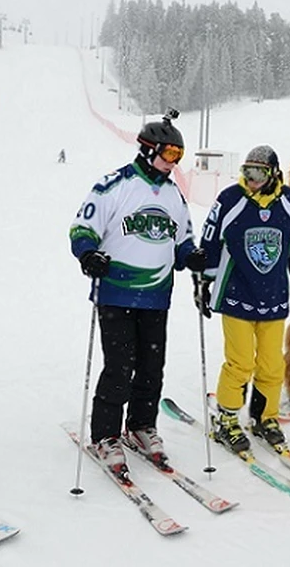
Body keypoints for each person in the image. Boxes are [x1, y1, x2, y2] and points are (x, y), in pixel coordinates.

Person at [69, 109, 206, 474]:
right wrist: (88, 254)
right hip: (116, 292)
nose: (174, 163)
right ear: (148, 150)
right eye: (170, 155)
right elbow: (83, 227)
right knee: (119, 366)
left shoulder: (174, 196)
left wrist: (191, 256)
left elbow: (182, 239)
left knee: (151, 366)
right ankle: (106, 435)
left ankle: (142, 425)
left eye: (179, 157)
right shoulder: (115, 185)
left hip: (156, 294)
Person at [196, 145, 290, 452]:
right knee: (240, 362)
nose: (251, 179)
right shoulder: (230, 200)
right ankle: (227, 420)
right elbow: (209, 241)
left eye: (258, 173)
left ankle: (265, 417)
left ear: (274, 173)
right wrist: (203, 281)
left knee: (272, 364)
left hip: (273, 296)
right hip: (236, 293)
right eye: (247, 172)